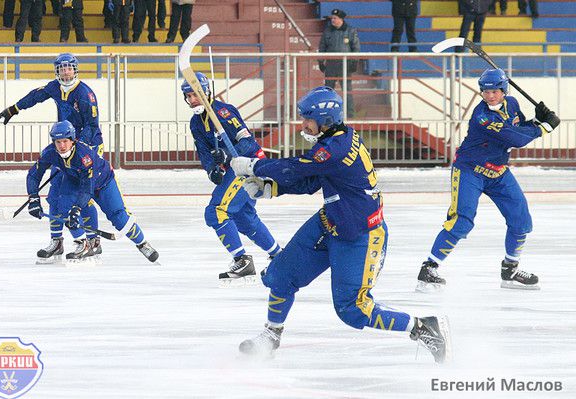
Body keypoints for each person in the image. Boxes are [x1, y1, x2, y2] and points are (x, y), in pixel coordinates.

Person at [230, 86, 450, 362]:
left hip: (360, 235)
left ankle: (422, 326)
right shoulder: (333, 141)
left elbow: (299, 167)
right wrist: (272, 189)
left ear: (324, 120)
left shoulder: (335, 148)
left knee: (352, 310)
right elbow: (314, 179)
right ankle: (271, 336)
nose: (303, 124)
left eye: (307, 119)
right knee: (280, 276)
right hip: (330, 222)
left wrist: (254, 168)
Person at [416, 68, 560, 291]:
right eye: (486, 91)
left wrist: (535, 120)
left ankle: (510, 270)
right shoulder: (482, 117)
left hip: (498, 172)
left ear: (504, 90)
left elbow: (517, 128)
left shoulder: (512, 104)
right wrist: (544, 127)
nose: (490, 95)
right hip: (470, 171)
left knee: (521, 219)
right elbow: (514, 137)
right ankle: (429, 268)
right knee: (462, 220)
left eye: (495, 91)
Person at [0, 53, 104, 263]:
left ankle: (93, 241)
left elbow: (92, 126)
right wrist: (14, 108)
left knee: (83, 195)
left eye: (68, 68)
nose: (65, 72)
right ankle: (57, 241)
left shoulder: (85, 94)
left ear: (75, 69)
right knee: (55, 195)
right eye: (61, 68)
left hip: (85, 147)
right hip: (64, 146)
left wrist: (76, 150)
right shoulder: (55, 87)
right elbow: (36, 96)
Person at [181, 72, 281, 286]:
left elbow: (247, 142)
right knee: (244, 217)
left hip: (248, 164)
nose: (191, 101)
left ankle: (241, 260)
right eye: (188, 97)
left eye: (194, 95)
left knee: (216, 211)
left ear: (206, 92)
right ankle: (279, 256)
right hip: (234, 168)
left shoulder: (224, 112)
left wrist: (227, 155)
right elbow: (204, 151)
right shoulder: (196, 123)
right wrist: (211, 169)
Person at [26, 121, 159, 263]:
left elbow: (87, 188)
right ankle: (83, 243)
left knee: (119, 217)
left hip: (103, 182)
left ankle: (143, 244)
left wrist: (76, 208)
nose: (62, 146)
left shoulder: (85, 156)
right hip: (76, 180)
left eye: (65, 141)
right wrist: (33, 198)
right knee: (63, 205)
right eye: (58, 142)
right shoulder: (50, 152)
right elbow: (34, 175)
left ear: (73, 140)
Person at [318, 9, 360, 117]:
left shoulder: (350, 31)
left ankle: (350, 114)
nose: (332, 20)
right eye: (332, 18)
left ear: (341, 19)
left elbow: (356, 47)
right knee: (328, 91)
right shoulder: (327, 31)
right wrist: (321, 61)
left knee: (347, 90)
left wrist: (354, 62)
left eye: (335, 18)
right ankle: (327, 114)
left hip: (345, 65)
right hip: (331, 64)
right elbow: (322, 47)